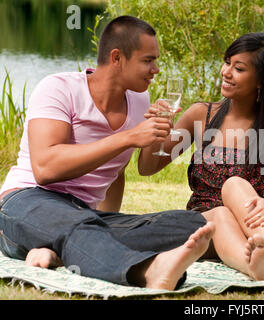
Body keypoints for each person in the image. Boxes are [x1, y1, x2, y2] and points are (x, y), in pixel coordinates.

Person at [0, 15, 216, 291]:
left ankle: (61, 249)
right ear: (117, 58)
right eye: (148, 60)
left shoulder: (139, 100)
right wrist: (127, 138)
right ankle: (147, 270)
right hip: (26, 201)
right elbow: (45, 169)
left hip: (85, 215)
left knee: (190, 223)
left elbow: (127, 171)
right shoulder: (58, 88)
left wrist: (156, 137)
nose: (156, 69)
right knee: (80, 225)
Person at [140, 32, 264, 281]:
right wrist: (154, 130)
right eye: (227, 62)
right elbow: (147, 167)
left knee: (234, 184)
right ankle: (255, 267)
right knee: (221, 215)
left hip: (259, 228)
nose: (226, 72)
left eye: (239, 68)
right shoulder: (199, 116)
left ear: (261, 79)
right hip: (205, 224)